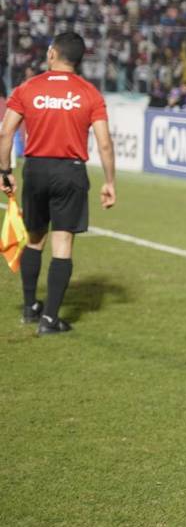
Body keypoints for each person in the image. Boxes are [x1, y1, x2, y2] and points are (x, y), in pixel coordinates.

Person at [0, 31, 117, 335]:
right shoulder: (89, 93)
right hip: (70, 171)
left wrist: (4, 171)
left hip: (36, 169)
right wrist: (109, 181)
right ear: (78, 61)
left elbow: (6, 132)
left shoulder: (29, 87)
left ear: (52, 54)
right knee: (62, 243)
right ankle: (50, 319)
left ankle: (29, 308)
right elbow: (104, 143)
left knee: (35, 239)